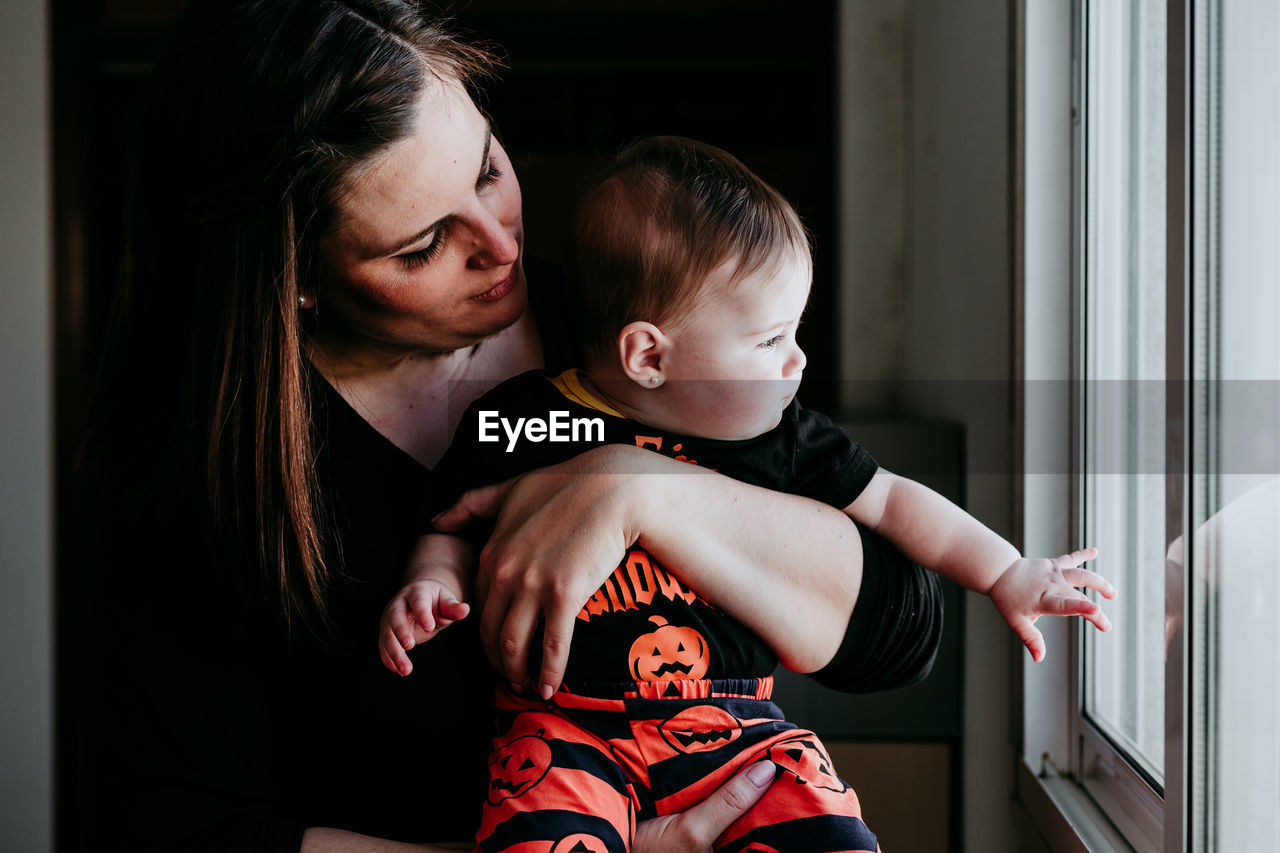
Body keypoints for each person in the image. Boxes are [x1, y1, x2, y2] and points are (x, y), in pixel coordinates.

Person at [77, 3, 946, 852]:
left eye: (489, 169)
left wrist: (642, 490)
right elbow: (176, 820)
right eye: (422, 246)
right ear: (294, 277)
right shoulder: (202, 472)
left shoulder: (640, 334)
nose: (501, 244)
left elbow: (900, 631)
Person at [378, 136, 1118, 852]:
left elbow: (892, 503)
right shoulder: (522, 416)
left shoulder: (782, 435)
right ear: (648, 355)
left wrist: (1005, 571)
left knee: (831, 833)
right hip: (562, 729)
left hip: (739, 730)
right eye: (770, 341)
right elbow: (454, 521)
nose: (798, 358)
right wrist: (428, 584)